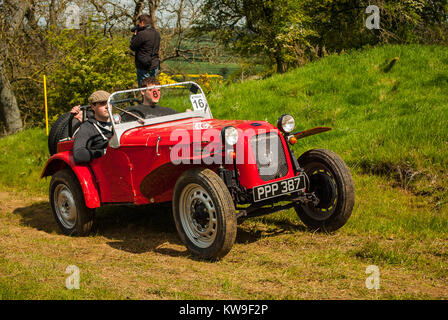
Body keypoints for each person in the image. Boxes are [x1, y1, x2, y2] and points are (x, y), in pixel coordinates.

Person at [73, 90, 114, 164]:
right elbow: (78, 154)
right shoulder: (88, 127)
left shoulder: (119, 122)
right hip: (103, 166)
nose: (107, 106)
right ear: (93, 106)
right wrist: (104, 152)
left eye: (109, 102)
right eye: (102, 103)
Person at [130, 14, 160, 87]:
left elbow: (132, 47)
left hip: (144, 65)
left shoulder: (141, 34)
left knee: (144, 88)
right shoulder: (156, 33)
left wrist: (134, 35)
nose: (138, 25)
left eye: (139, 23)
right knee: (153, 86)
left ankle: (145, 98)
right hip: (155, 64)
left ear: (142, 23)